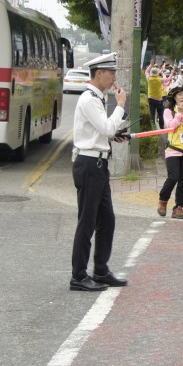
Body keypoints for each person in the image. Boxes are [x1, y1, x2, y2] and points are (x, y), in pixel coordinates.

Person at [70, 53, 129, 292]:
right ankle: (79, 276)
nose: (114, 76)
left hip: (98, 164)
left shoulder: (97, 98)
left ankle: (101, 270)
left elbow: (101, 131)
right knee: (87, 221)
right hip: (88, 164)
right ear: (99, 73)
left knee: (107, 219)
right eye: (111, 72)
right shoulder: (89, 99)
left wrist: (114, 134)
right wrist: (121, 106)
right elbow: (104, 126)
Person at [157, 85, 183, 220]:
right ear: (174, 97)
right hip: (173, 150)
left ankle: (178, 208)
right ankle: (163, 201)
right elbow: (170, 126)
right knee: (173, 177)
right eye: (180, 94)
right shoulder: (168, 111)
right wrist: (180, 113)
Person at [145, 59, 167, 129]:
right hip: (159, 99)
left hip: (150, 98)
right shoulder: (159, 79)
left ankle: (153, 127)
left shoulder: (149, 78)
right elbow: (165, 78)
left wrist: (151, 65)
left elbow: (146, 71)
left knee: (152, 113)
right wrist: (162, 73)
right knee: (160, 113)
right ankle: (162, 126)